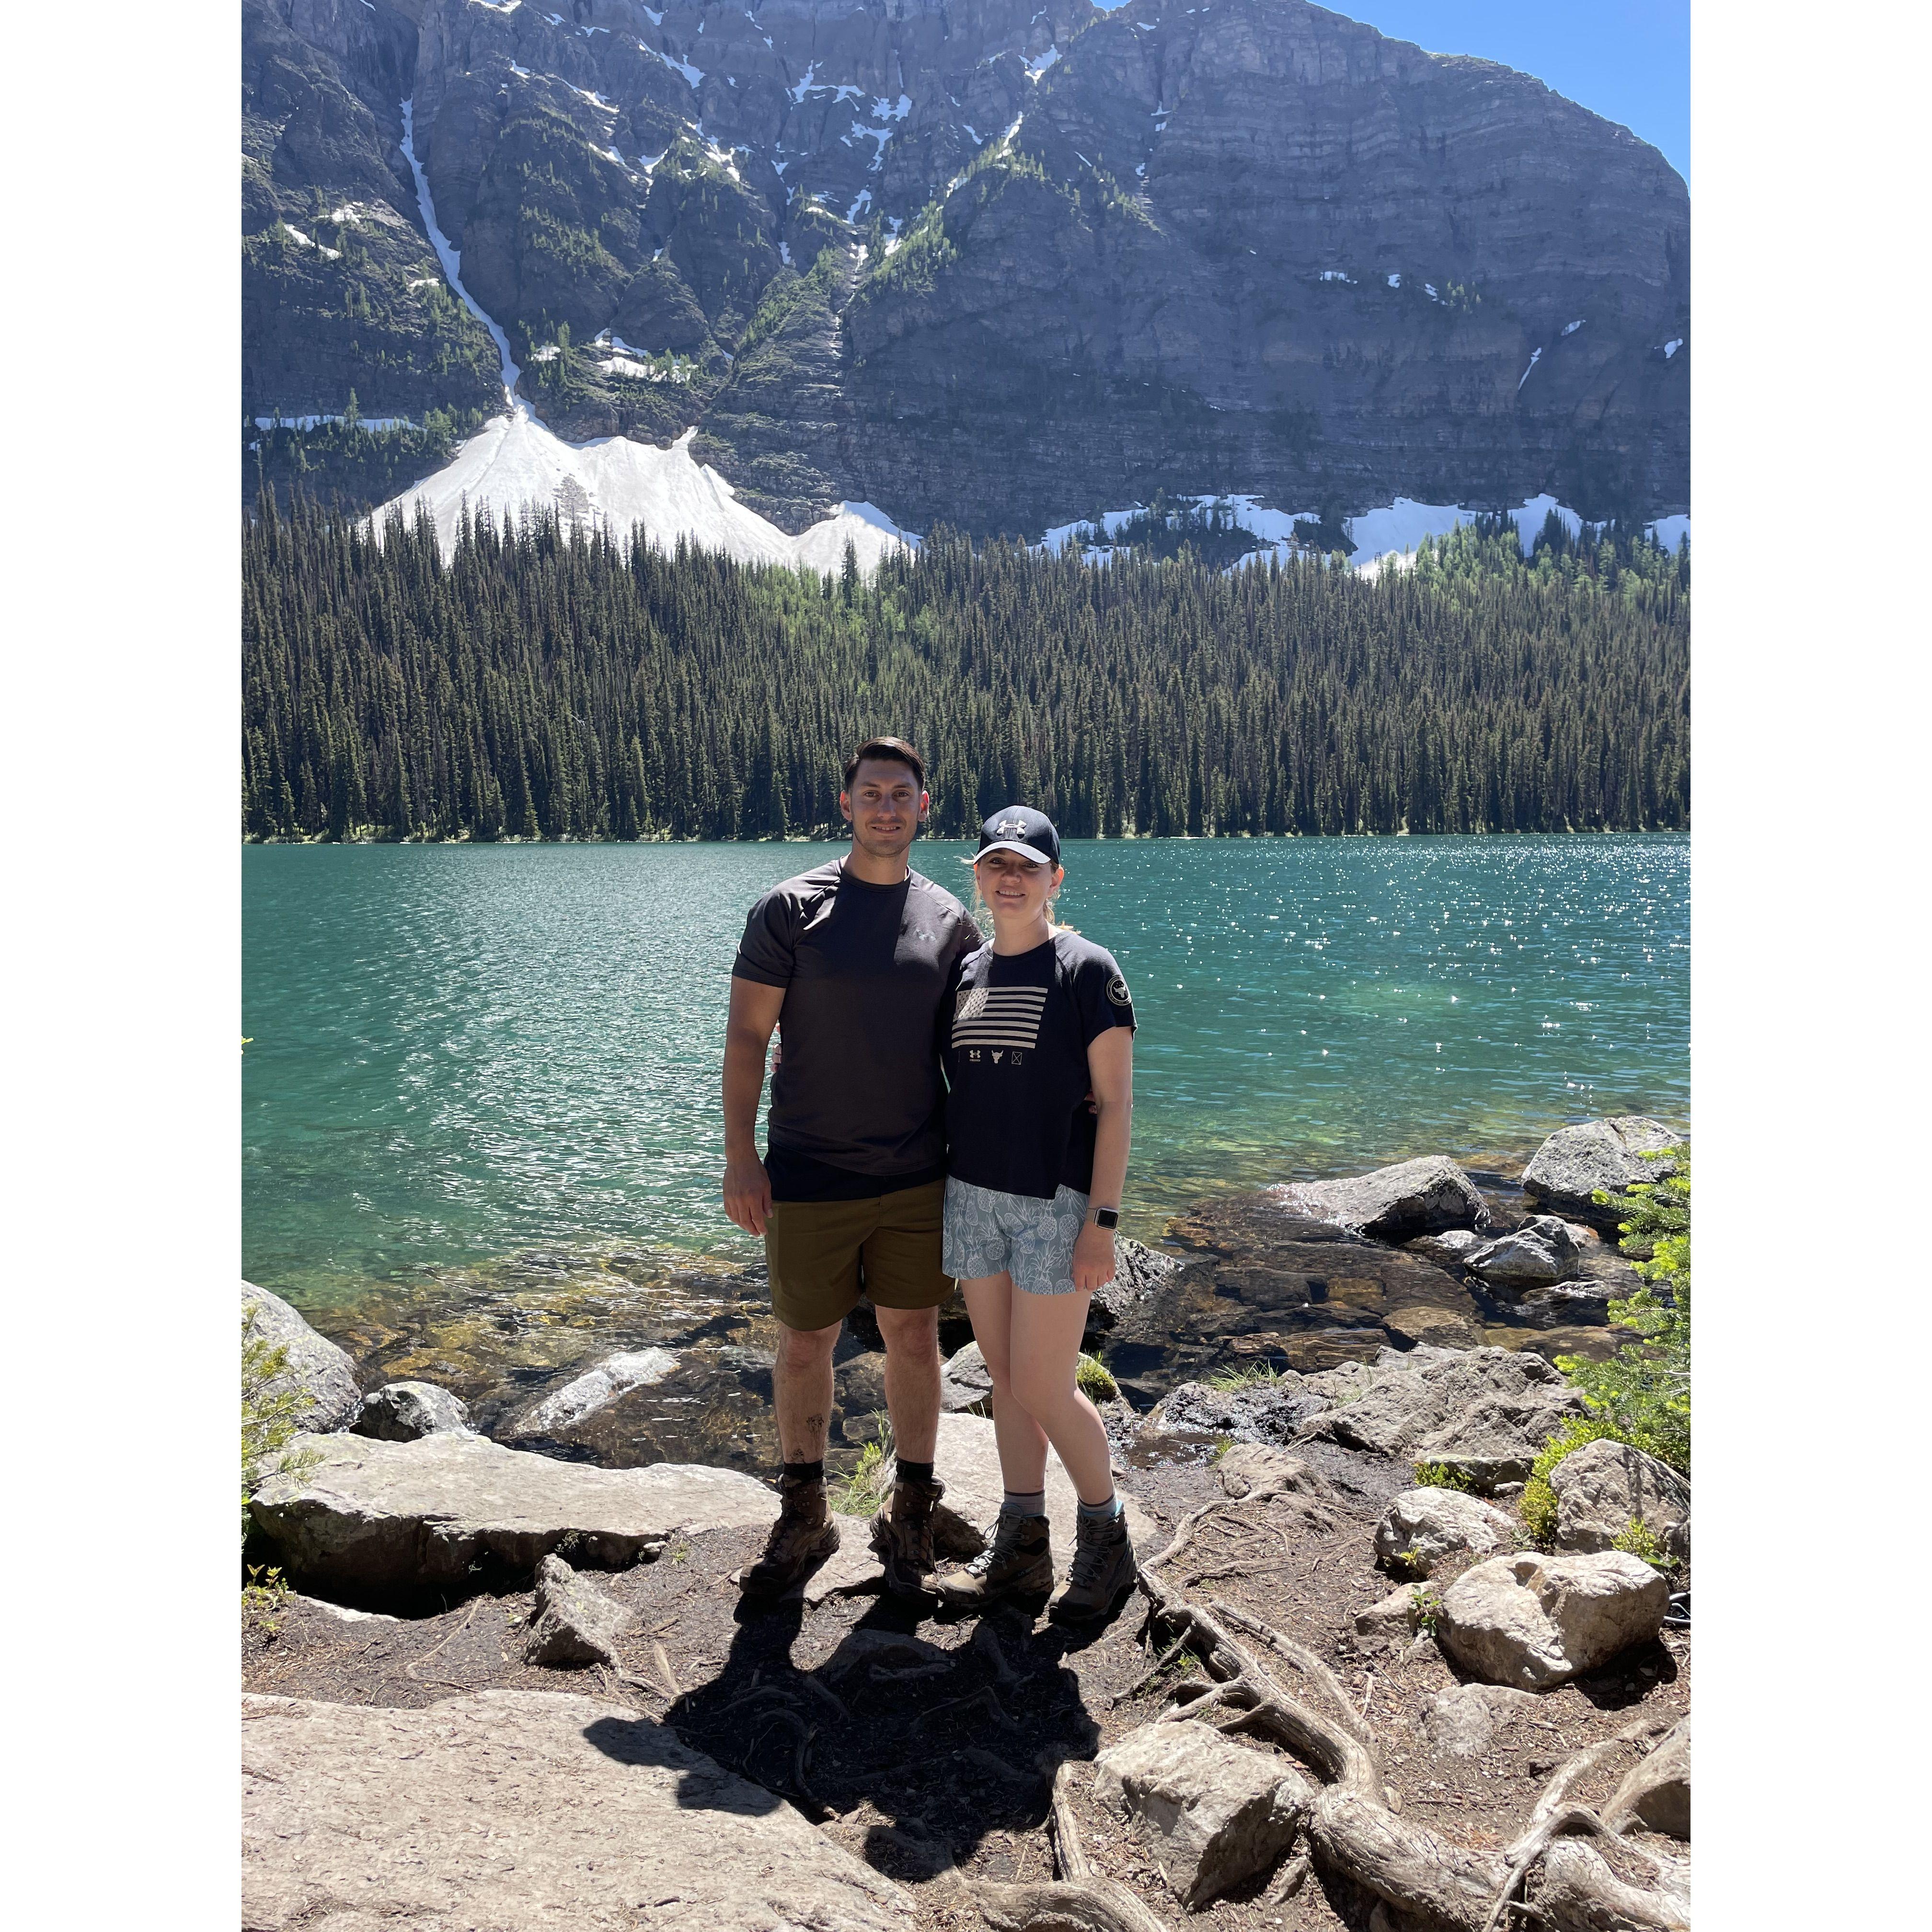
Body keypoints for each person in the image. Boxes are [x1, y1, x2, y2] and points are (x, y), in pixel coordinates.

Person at [722, 737, 980, 1601]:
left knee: (914, 1337)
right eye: (870, 793)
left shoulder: (949, 922)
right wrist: (740, 1157)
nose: (885, 807)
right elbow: (748, 1039)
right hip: (808, 1170)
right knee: (805, 1342)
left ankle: (911, 1506)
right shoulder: (790, 911)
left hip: (916, 1175)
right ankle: (804, 1510)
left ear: (923, 805)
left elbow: (975, 1055)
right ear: (845, 805)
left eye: (900, 794)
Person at [931, 806, 1139, 1622]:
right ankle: (1021, 1546)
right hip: (973, 1197)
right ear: (977, 877)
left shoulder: (1088, 969)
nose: (1009, 878)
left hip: (1056, 1204)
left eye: (1027, 866)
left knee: (1049, 1388)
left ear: (1056, 879)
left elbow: (1117, 1105)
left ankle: (1108, 1537)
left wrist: (1104, 1221)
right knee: (1007, 1384)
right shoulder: (968, 972)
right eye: (995, 865)